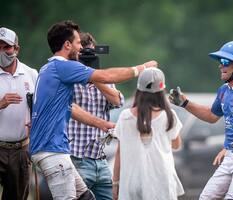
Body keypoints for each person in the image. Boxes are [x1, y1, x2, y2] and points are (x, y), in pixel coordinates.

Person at [29, 20, 157, 200]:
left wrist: (102, 123)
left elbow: (71, 108)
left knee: (85, 197)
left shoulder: (48, 68)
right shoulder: (63, 67)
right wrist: (142, 68)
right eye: (78, 43)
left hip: (53, 150)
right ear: (67, 45)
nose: (81, 49)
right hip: (52, 150)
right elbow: (106, 76)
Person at [169, 41, 233, 200]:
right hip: (230, 156)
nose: (220, 66)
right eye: (220, 62)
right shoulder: (224, 90)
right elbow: (212, 116)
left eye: (225, 62)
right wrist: (185, 103)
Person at [68, 32, 124, 200]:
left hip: (100, 159)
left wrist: (94, 75)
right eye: (85, 54)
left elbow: (118, 100)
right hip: (77, 158)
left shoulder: (104, 79)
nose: (88, 58)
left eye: (91, 54)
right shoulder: (69, 79)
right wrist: (83, 72)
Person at [112, 68, 184, 200]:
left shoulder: (125, 116)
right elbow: (176, 145)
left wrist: (115, 183)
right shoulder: (169, 115)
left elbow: (119, 152)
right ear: (162, 90)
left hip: (131, 183)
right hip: (162, 182)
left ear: (139, 90)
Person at [0, 27, 38, 200]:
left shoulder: (31, 74)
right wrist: (1, 103)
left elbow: (39, 109)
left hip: (21, 150)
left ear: (16, 48)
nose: (2, 51)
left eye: (6, 47)